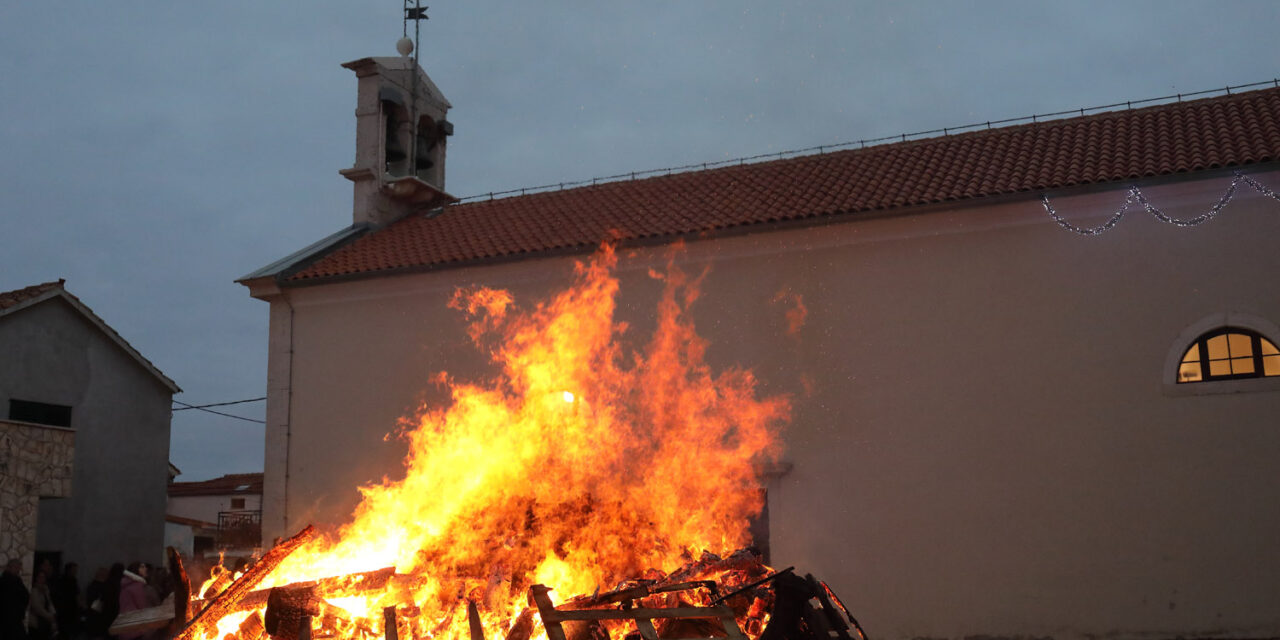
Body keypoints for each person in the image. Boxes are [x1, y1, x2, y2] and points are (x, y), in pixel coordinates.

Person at [114, 564, 155, 640]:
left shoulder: (126, 584)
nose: (145, 568)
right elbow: (142, 607)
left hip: (125, 625)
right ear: (136, 570)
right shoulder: (137, 586)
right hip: (135, 627)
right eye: (142, 567)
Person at [0, 559, 30, 640]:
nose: (18, 570)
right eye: (16, 568)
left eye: (19, 568)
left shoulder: (16, 580)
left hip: (15, 618)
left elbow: (25, 595)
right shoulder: (5, 581)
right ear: (10, 567)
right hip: (8, 619)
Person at [51, 563, 79, 640]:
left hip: (71, 609)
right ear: (69, 570)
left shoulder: (73, 580)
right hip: (63, 610)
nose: (75, 572)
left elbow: (76, 594)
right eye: (74, 570)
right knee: (64, 632)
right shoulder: (61, 580)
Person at [25, 570, 55, 640]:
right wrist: (49, 616)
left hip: (45, 622)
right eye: (40, 577)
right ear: (36, 578)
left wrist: (53, 614)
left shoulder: (45, 589)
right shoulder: (34, 590)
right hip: (36, 622)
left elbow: (49, 602)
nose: (42, 579)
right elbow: (37, 607)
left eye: (43, 577)